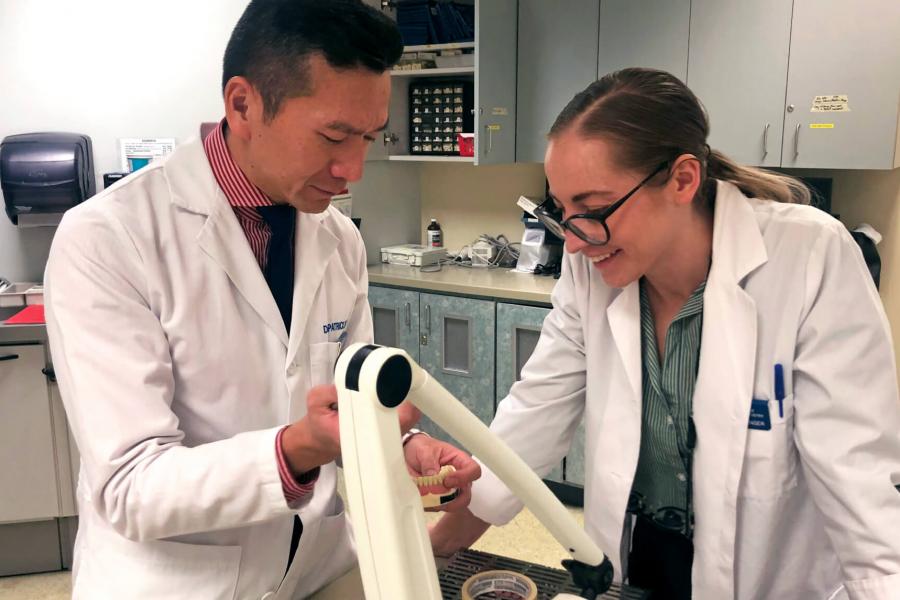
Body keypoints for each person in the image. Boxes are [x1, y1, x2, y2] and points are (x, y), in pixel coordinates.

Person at [44, 1, 479, 598]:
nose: (353, 168)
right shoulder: (108, 238)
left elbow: (349, 398)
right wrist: (296, 448)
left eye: (369, 138)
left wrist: (403, 444)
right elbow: (130, 486)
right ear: (243, 104)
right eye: (333, 135)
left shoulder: (337, 238)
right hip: (182, 582)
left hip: (319, 569)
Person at [430, 68, 900, 600]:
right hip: (641, 555)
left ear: (682, 179)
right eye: (563, 212)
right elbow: (535, 412)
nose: (577, 242)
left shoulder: (809, 255)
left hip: (766, 573)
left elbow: (858, 477)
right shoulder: (592, 269)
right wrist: (433, 552)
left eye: (594, 209)